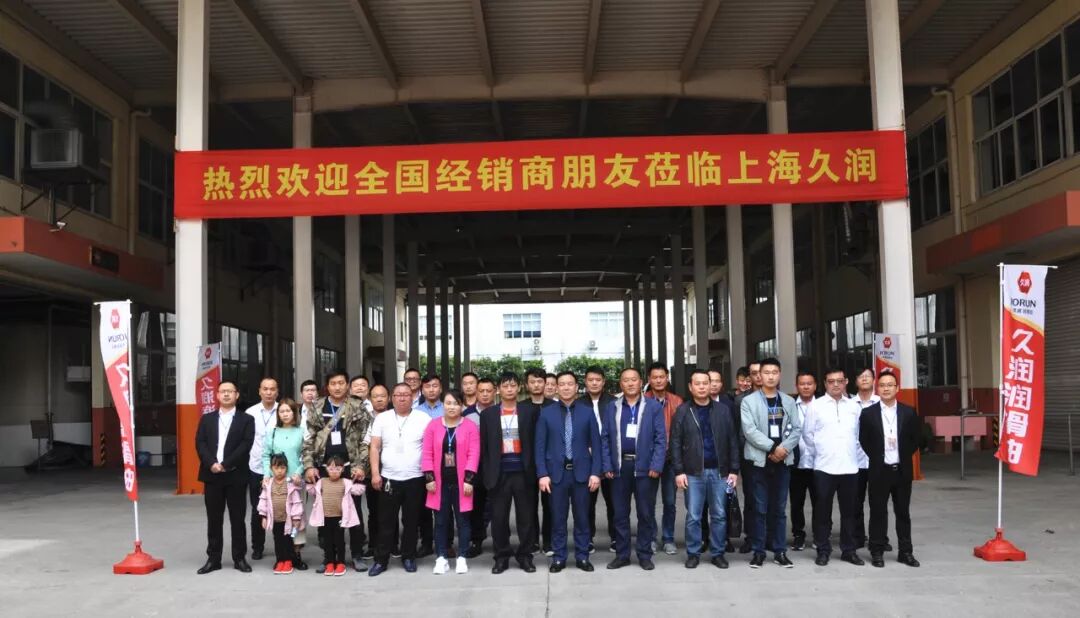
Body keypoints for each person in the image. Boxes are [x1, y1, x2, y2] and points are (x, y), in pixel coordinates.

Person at [301, 371, 372, 572]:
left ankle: (357, 554)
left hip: (351, 468)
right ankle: (329, 558)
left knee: (354, 512)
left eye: (341, 383)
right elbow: (308, 439)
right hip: (324, 469)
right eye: (333, 383)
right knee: (327, 514)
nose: (338, 387)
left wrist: (362, 465)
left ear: (347, 385)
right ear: (327, 386)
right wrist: (309, 466)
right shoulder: (316, 406)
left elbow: (365, 439)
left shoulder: (357, 406)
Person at [671, 369, 739, 570]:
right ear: (690, 387)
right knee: (694, 516)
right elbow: (675, 443)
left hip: (720, 472)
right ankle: (693, 553)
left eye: (705, 383)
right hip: (693, 473)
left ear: (711, 385)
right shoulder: (683, 411)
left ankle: (718, 553)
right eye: (697, 383)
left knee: (719, 514)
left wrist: (734, 469)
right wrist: (678, 471)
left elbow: (733, 440)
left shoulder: (723, 410)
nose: (701, 387)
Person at [535, 371, 603, 572]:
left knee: (582, 518)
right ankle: (559, 557)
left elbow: (597, 445)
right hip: (556, 475)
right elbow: (540, 446)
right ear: (556, 387)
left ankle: (582, 556)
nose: (566, 387)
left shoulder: (587, 412)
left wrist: (595, 473)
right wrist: (542, 474)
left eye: (570, 384)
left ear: (576, 387)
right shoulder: (546, 413)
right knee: (558, 518)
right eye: (562, 384)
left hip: (582, 474)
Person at [802, 367, 867, 567]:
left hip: (850, 467)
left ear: (846, 382)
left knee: (850, 512)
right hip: (824, 467)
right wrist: (821, 453)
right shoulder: (816, 406)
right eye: (831, 381)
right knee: (822, 511)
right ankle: (823, 550)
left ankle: (849, 550)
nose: (836, 385)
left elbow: (860, 436)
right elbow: (808, 435)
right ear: (825, 384)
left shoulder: (855, 407)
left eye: (840, 381)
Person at [602, 367, 665, 570]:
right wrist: (607, 464)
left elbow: (660, 438)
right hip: (619, 468)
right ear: (620, 384)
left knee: (645, 513)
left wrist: (656, 464)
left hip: (645, 468)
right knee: (620, 514)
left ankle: (644, 554)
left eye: (634, 379)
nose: (630, 383)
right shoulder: (612, 407)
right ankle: (622, 555)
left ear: (641, 382)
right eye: (626, 380)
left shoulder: (653, 407)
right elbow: (605, 438)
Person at [741, 358, 801, 569]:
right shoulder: (749, 402)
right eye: (766, 372)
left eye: (774, 372)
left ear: (779, 375)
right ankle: (758, 552)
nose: (770, 376)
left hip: (783, 462)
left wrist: (783, 449)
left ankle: (779, 551)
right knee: (759, 508)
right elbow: (749, 431)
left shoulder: (788, 401)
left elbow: (796, 429)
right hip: (759, 462)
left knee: (779, 509)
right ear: (759, 375)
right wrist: (772, 448)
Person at [859, 370, 921, 568]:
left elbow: (916, 440)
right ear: (877, 388)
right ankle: (877, 551)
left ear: (897, 388)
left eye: (890, 385)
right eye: (882, 385)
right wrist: (877, 456)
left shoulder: (908, 412)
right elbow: (864, 440)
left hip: (901, 471)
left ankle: (906, 552)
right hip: (879, 471)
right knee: (878, 512)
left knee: (903, 513)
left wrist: (903, 455)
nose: (886, 388)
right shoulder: (868, 414)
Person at [368, 383, 431, 576]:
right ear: (392, 398)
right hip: (389, 478)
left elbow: (429, 448)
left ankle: (408, 556)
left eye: (406, 394)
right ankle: (381, 560)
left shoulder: (423, 418)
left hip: (415, 478)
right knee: (386, 521)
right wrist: (375, 473)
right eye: (398, 395)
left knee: (411, 520)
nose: (402, 398)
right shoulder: (382, 418)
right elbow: (374, 447)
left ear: (412, 397)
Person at [480, 372, 539, 574]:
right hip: (499, 474)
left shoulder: (529, 411)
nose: (509, 389)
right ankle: (501, 557)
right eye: (505, 386)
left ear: (519, 388)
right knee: (499, 518)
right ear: (498, 389)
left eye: (513, 385)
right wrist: (487, 474)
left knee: (526, 518)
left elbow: (536, 442)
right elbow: (484, 448)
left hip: (523, 472)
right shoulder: (488, 415)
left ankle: (525, 556)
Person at [194, 381, 255, 574]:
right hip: (212, 475)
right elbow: (200, 443)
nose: (226, 394)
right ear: (217, 395)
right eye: (222, 391)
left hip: (236, 475)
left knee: (237, 519)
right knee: (214, 519)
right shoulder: (207, 419)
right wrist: (211, 463)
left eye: (230, 391)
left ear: (237, 395)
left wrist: (225, 464)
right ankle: (213, 559)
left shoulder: (246, 419)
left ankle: (239, 558)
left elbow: (246, 444)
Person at [423, 390, 481, 575]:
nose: (452, 407)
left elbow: (474, 453)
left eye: (456, 403)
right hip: (439, 483)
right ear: (443, 405)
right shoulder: (433, 426)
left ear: (462, 406)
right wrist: (429, 478)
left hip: (462, 482)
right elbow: (427, 453)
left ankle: (462, 556)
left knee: (463, 521)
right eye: (448, 403)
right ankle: (441, 557)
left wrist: (469, 479)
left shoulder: (470, 426)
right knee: (440, 521)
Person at [260, 398, 307, 569]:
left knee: (296, 517)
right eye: (282, 411)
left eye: (288, 411)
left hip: (295, 482)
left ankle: (296, 554)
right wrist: (267, 475)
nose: (285, 414)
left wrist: (298, 472)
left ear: (295, 413)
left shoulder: (301, 432)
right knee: (280, 518)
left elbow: (306, 455)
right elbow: (266, 455)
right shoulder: (273, 432)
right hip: (276, 482)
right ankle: (282, 555)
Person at [645, 362, 684, 555]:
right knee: (648, 502)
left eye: (662, 377)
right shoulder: (643, 400)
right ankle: (651, 537)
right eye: (655, 377)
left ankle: (668, 538)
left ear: (667, 378)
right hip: (649, 460)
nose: (659, 380)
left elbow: (681, 432)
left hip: (669, 460)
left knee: (669, 501)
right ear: (649, 379)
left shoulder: (677, 401)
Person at [307, 454, 366, 576]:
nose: (334, 472)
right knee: (327, 541)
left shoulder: (346, 482)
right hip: (325, 517)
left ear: (343, 469)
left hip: (339, 518)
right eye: (331, 469)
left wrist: (359, 479)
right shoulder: (322, 482)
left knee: (339, 541)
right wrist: (309, 480)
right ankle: (329, 562)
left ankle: (340, 562)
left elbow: (358, 490)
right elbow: (312, 490)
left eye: (337, 469)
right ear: (326, 469)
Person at [244, 377, 279, 561]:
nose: (269, 392)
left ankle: (283, 547)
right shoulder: (250, 413)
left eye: (272, 389)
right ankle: (257, 547)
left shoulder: (283, 410)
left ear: (277, 391)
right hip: (256, 467)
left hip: (280, 470)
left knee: (281, 508)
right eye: (265, 389)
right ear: (259, 391)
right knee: (258, 509)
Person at [582, 366, 616, 554]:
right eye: (590, 380)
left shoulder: (614, 403)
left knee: (614, 501)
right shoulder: (578, 403)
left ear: (603, 382)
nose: (594, 383)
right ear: (585, 382)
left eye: (598, 380)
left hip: (610, 459)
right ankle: (587, 538)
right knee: (586, 503)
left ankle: (616, 538)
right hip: (587, 461)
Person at [522, 367, 556, 555]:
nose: (536, 385)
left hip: (550, 464)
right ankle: (533, 541)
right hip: (526, 464)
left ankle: (549, 542)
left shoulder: (554, 407)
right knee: (529, 506)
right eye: (532, 381)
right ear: (527, 385)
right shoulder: (521, 407)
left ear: (545, 383)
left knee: (550, 505)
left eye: (540, 381)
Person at [463, 377, 497, 558]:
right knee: (476, 506)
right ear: (475, 392)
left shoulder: (502, 411)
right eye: (481, 391)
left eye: (488, 391)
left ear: (495, 392)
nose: (484, 394)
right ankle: (476, 540)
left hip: (496, 465)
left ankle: (500, 541)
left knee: (497, 505)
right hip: (475, 466)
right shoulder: (467, 414)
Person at [414, 373, 445, 557]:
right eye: (427, 386)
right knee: (424, 508)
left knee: (445, 506)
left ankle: (447, 543)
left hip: (446, 464)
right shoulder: (416, 412)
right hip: (423, 464)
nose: (431, 390)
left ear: (440, 388)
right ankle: (426, 543)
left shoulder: (449, 407)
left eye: (435, 386)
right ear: (422, 390)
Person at [257, 453, 304, 574]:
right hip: (275, 519)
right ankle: (280, 560)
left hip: (287, 520)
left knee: (288, 541)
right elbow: (263, 500)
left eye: (282, 468)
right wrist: (264, 516)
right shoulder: (268, 484)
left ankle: (288, 561)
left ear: (286, 468)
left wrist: (296, 517)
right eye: (276, 468)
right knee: (278, 540)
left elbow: (296, 502)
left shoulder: (290, 484)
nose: (279, 471)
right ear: (271, 468)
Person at [733, 360, 761, 554]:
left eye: (761, 372)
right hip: (749, 455)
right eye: (754, 373)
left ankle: (768, 535)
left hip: (774, 456)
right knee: (751, 497)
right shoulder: (740, 400)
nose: (758, 376)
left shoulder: (780, 399)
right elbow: (738, 430)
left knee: (771, 499)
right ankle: (751, 537)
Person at [851, 367, 880, 551]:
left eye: (868, 376)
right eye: (860, 376)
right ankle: (858, 537)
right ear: (855, 381)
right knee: (856, 502)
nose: (864, 379)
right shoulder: (849, 404)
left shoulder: (881, 402)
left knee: (878, 502)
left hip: (877, 461)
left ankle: (879, 537)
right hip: (855, 461)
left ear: (874, 380)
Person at [790, 371, 818, 552]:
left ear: (815, 385)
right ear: (797, 386)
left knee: (820, 501)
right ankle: (798, 535)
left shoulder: (823, 405)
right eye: (802, 383)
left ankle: (819, 534)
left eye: (809, 383)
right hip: (796, 463)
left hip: (818, 463)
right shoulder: (790, 405)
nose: (806, 387)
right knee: (796, 502)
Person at [363, 384, 390, 560]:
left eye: (382, 396)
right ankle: (373, 545)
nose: (379, 399)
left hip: (391, 469)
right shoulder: (364, 419)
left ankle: (392, 544)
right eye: (375, 396)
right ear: (370, 399)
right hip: (370, 470)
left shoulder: (395, 416)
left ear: (389, 398)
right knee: (373, 510)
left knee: (390, 510)